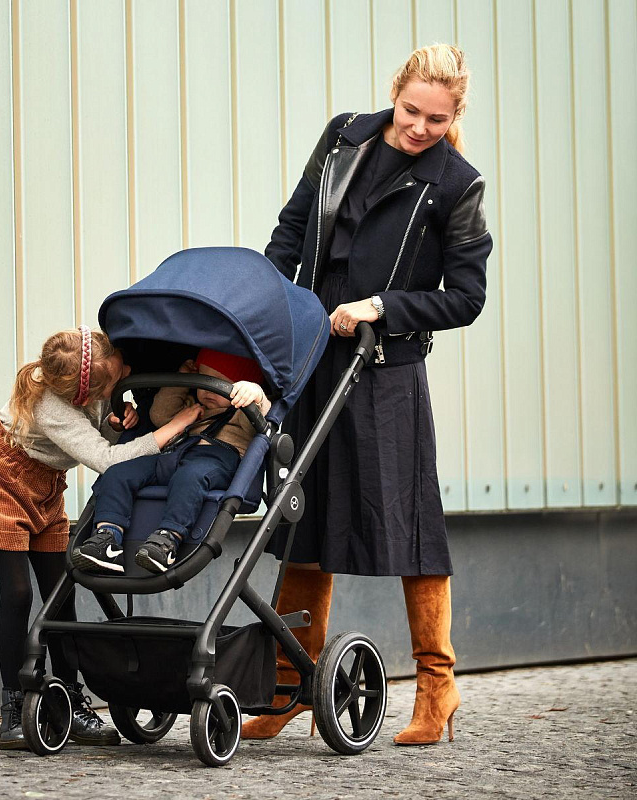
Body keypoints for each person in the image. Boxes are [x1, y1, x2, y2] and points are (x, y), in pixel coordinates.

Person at [242, 44, 492, 745]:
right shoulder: (343, 138)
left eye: (437, 120)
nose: (420, 128)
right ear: (394, 94)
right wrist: (272, 306)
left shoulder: (457, 185)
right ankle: (291, 685)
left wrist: (383, 306)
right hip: (313, 356)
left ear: (455, 115)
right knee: (302, 518)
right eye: (411, 111)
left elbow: (466, 297)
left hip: (384, 372)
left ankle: (438, 687)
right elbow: (293, 229)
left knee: (411, 525)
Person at [0, 325, 201, 750]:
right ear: (83, 395)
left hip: (45, 482)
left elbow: (98, 434)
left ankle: (69, 698)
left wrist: (114, 421)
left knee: (60, 592)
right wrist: (174, 426)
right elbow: (106, 459)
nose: (126, 372)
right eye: (115, 378)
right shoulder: (51, 406)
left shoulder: (90, 369)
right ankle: (14, 706)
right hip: (0, 475)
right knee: (18, 594)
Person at [72, 348, 270, 574]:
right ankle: (107, 538)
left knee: (190, 476)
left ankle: (167, 540)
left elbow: (262, 420)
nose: (209, 389)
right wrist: (182, 380)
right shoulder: (191, 404)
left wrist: (255, 395)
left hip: (215, 460)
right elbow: (159, 415)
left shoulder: (241, 414)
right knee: (118, 472)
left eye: (219, 383)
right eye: (204, 379)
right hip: (172, 454)